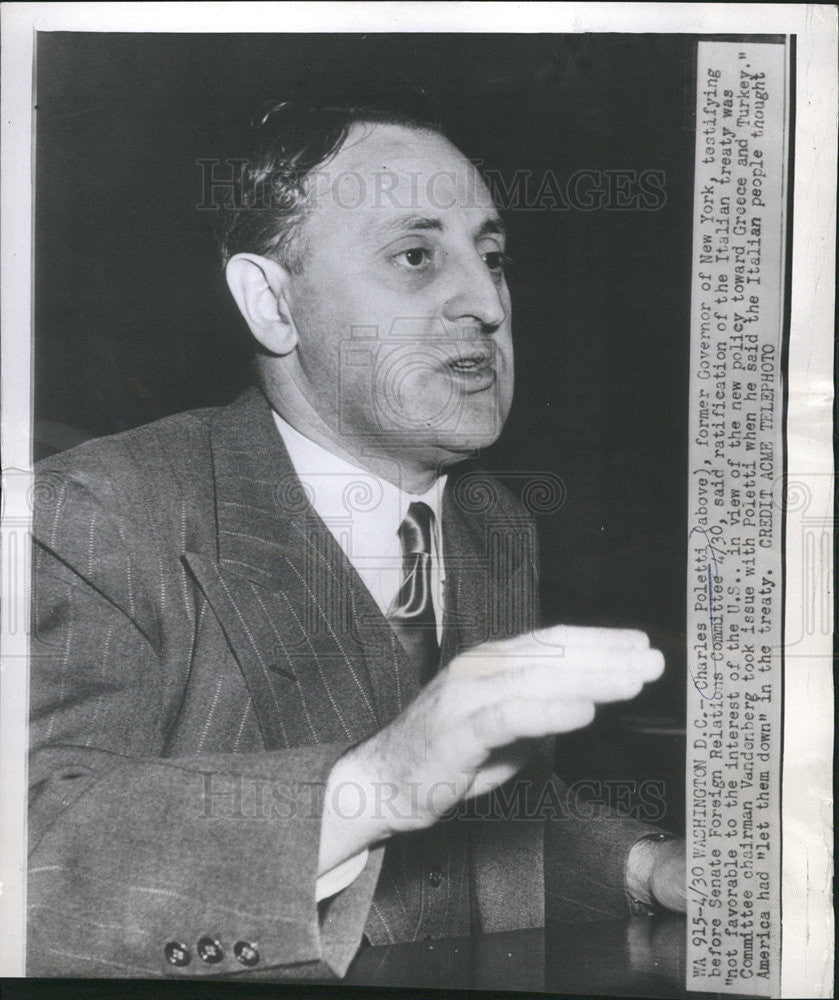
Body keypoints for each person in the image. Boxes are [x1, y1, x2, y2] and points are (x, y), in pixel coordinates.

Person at [27, 103, 685, 979]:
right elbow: (30, 848)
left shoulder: (492, 527)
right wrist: (379, 781)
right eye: (416, 257)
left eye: (493, 259)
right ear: (272, 304)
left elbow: (480, 819)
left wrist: (645, 867)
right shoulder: (97, 513)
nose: (487, 303)